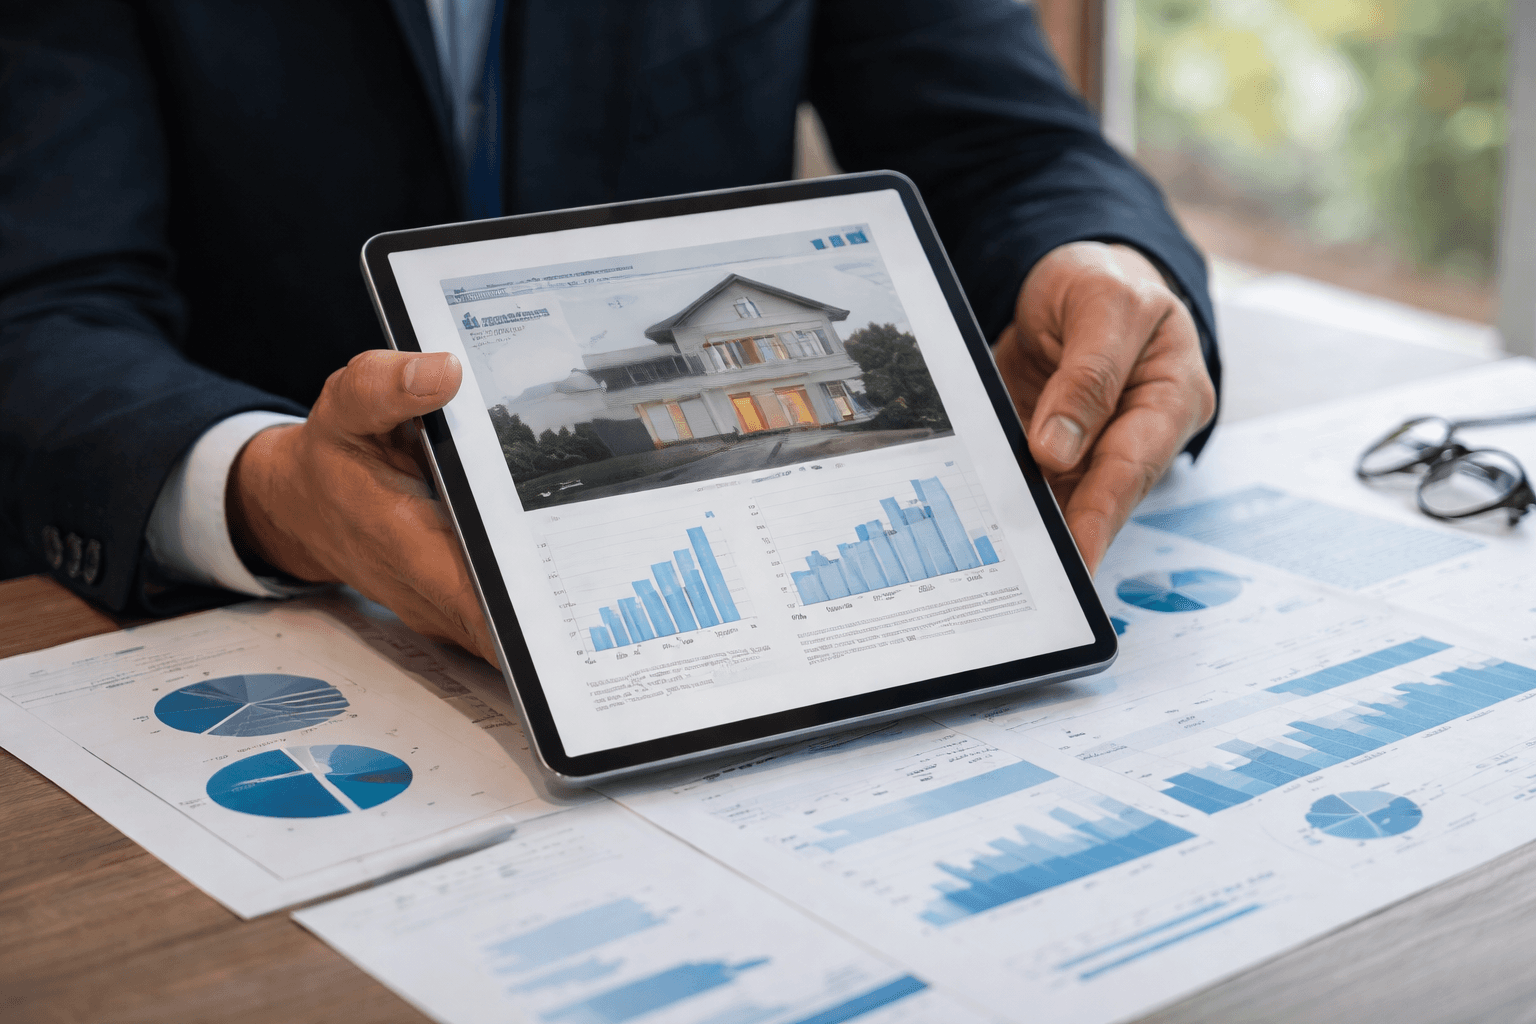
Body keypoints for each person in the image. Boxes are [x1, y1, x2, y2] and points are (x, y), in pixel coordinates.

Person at [0, 1, 1217, 663]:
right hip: (309, 633)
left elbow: (1014, 145)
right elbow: (41, 306)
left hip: (746, 593)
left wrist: (1106, 259)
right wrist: (266, 487)